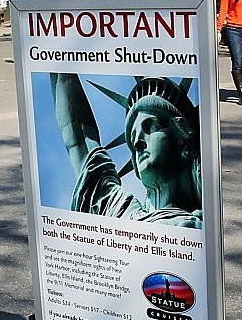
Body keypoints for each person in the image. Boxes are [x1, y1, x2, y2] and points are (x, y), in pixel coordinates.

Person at [50, 73, 201, 228]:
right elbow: (80, 142)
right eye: (132, 137)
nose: (137, 142)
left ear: (185, 143)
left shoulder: (213, 219)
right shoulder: (122, 215)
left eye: (150, 126)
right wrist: (56, 62)